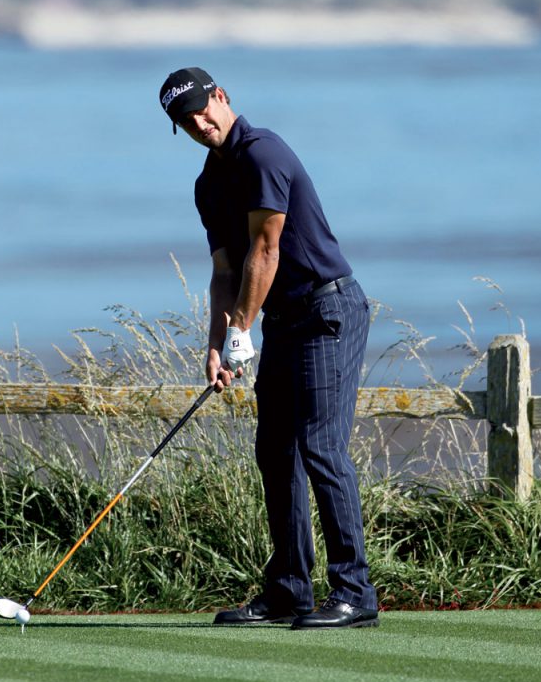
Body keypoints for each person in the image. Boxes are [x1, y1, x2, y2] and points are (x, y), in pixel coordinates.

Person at [159, 66, 378, 630]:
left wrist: (240, 332)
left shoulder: (263, 153)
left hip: (327, 309)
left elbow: (265, 250)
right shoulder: (209, 185)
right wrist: (216, 343)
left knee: (321, 448)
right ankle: (288, 592)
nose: (198, 122)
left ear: (222, 96)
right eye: (185, 121)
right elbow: (225, 271)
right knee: (275, 450)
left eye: (203, 108)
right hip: (282, 320)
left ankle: (355, 594)